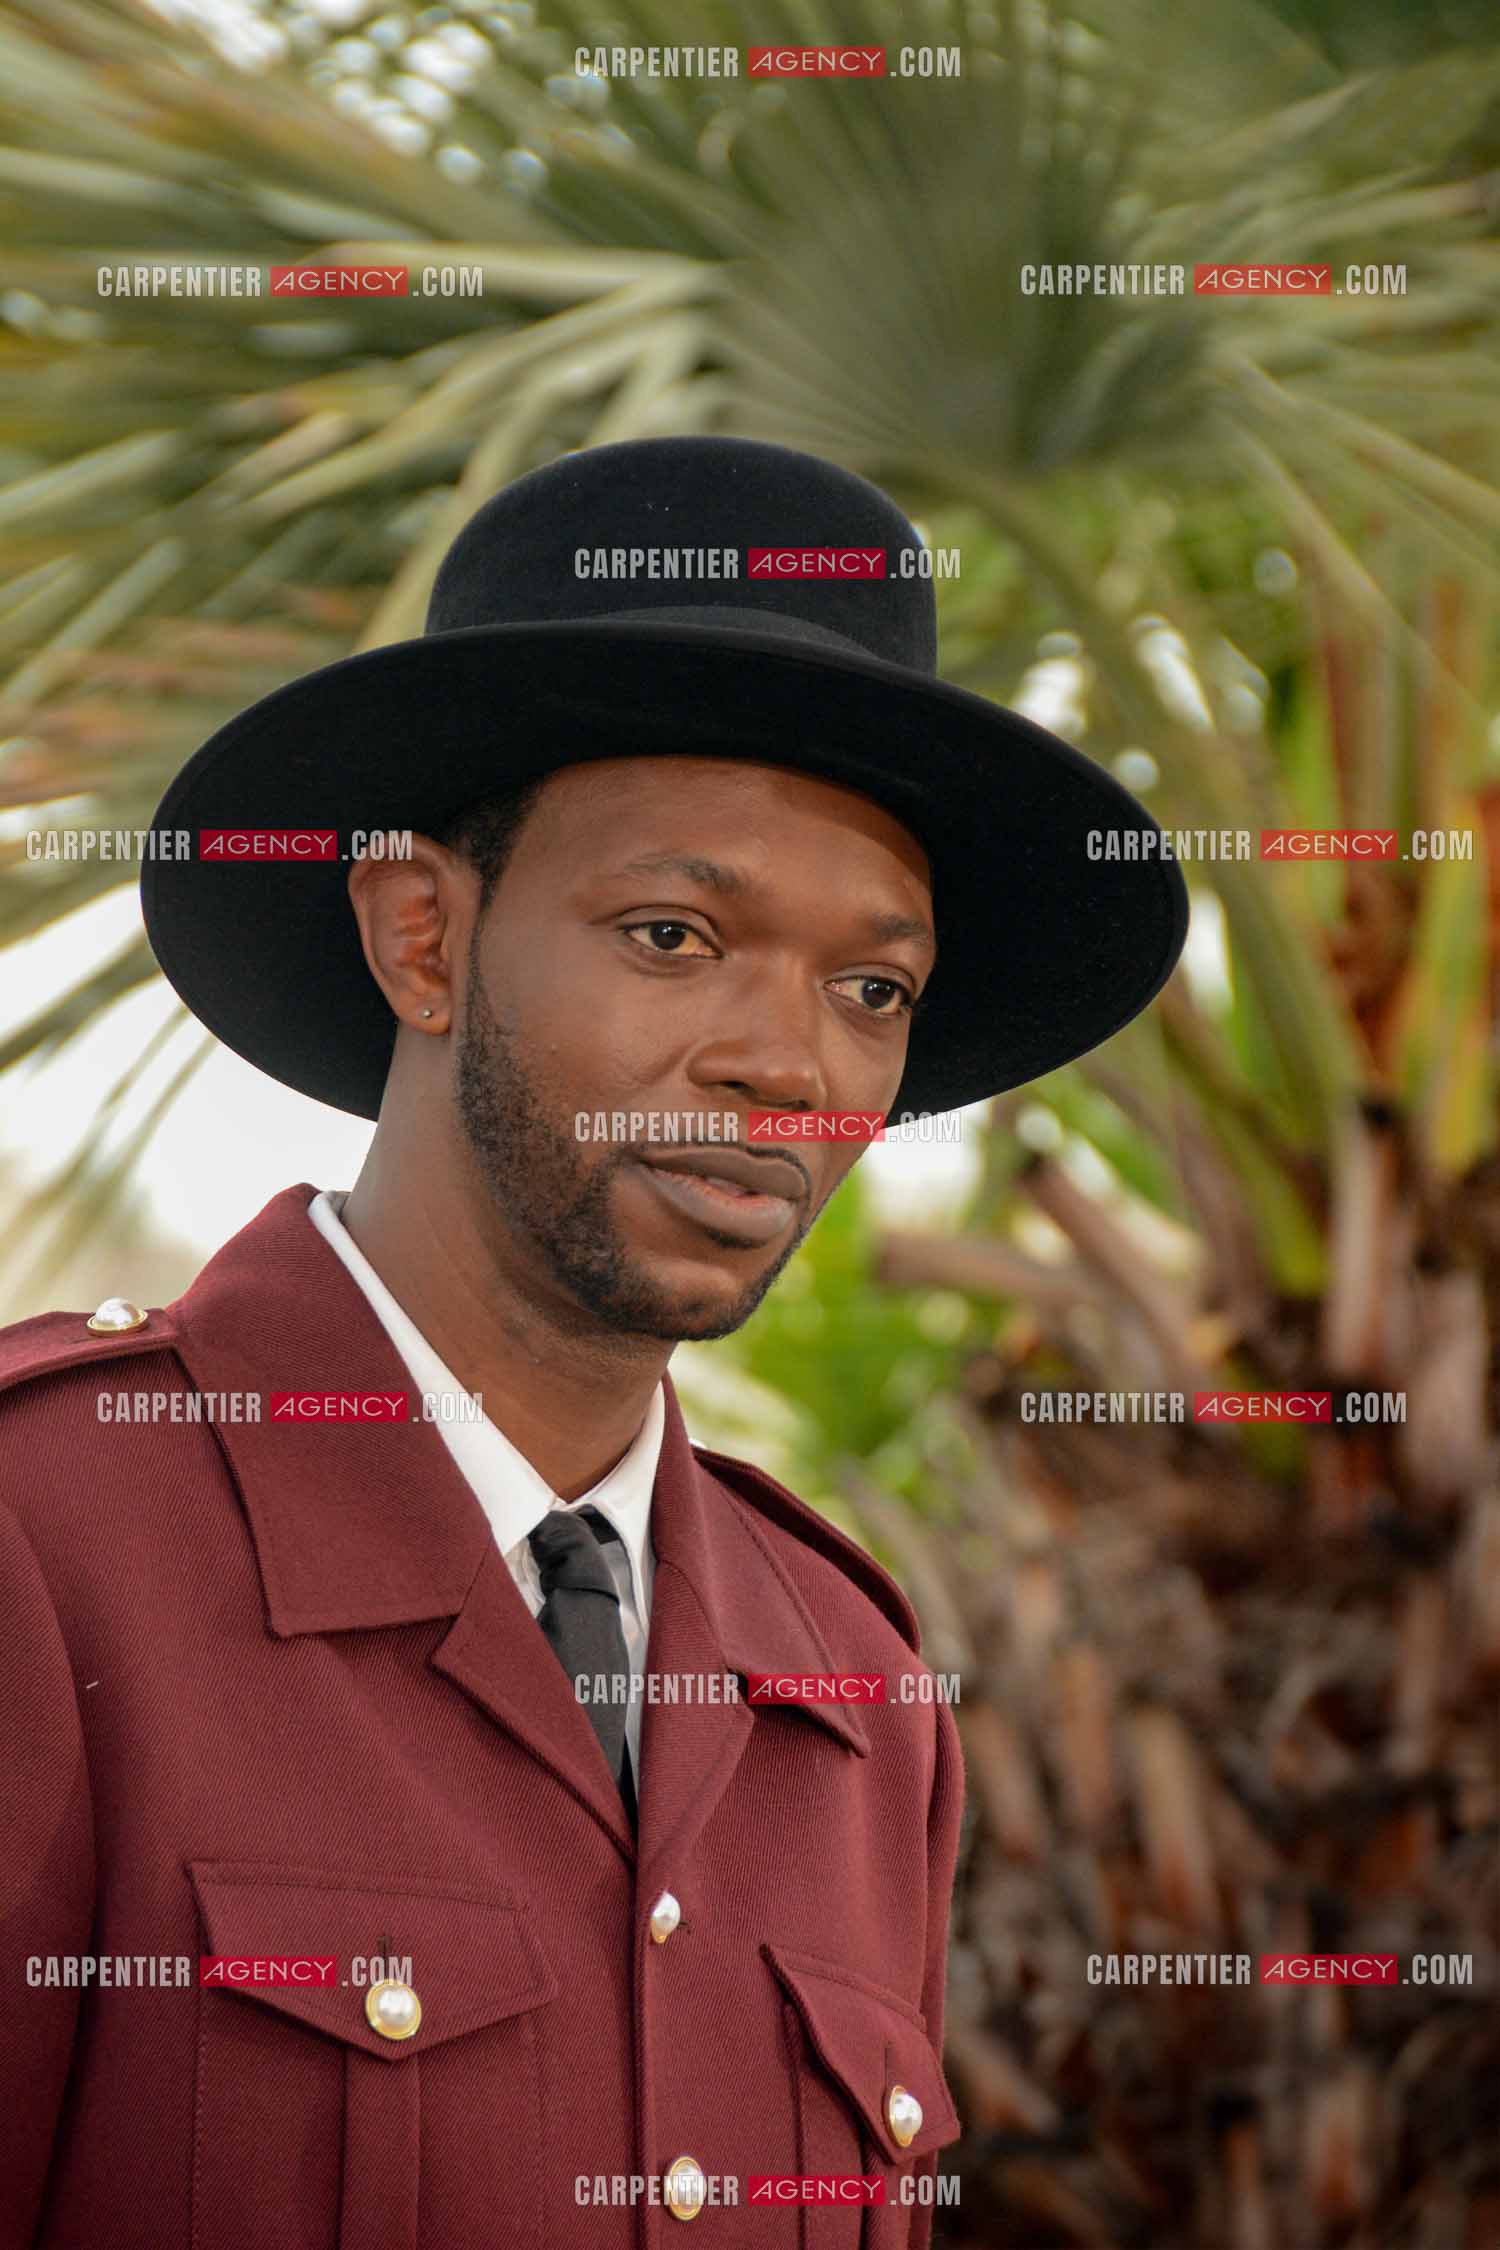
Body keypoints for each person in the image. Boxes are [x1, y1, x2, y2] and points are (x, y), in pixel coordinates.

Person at [0, 436, 1186, 2249]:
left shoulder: (851, 1687)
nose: (786, 1064)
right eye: (674, 932)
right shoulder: (52, 1534)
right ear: (422, 937)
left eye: (872, 990)